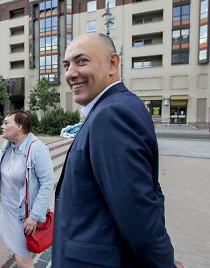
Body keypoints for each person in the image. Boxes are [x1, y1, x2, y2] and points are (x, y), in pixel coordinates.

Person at [51, 33, 184, 268]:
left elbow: (138, 212)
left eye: (81, 61)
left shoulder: (111, 114)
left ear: (112, 63)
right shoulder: (114, 107)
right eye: (66, 65)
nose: (70, 73)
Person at [0, 110, 54, 268]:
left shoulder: (37, 149)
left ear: (19, 127)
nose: (2, 126)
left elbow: (47, 184)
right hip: (9, 210)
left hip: (24, 215)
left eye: (6, 123)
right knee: (17, 250)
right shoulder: (9, 143)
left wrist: (35, 216)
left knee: (22, 259)